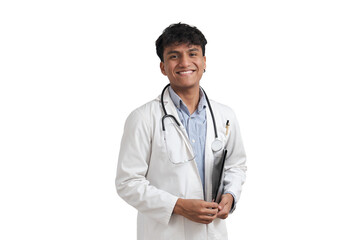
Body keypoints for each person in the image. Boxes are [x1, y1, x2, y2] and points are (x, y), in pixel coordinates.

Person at [115, 23, 247, 240]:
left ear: (204, 61)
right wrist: (178, 206)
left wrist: (230, 195)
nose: (185, 63)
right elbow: (127, 182)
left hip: (212, 233)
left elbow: (236, 165)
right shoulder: (142, 118)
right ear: (163, 67)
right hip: (165, 234)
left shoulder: (225, 116)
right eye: (174, 56)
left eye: (193, 54)